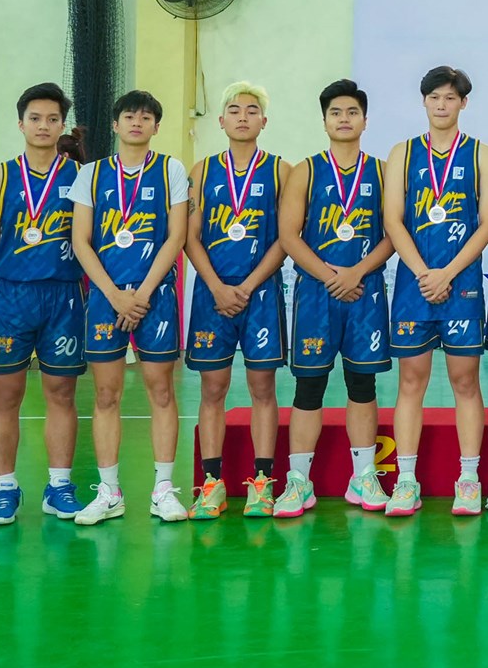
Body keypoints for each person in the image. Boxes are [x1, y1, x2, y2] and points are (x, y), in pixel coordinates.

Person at [68, 91, 192, 525]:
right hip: (107, 298)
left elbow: (176, 237)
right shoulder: (91, 174)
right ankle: (109, 492)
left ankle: (163, 489)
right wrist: (115, 294)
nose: (137, 122)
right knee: (106, 395)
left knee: (162, 391)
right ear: (115, 125)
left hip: (155, 297)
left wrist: (141, 294)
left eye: (145, 117)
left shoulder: (171, 169)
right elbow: (81, 240)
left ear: (156, 126)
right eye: (129, 116)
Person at [383, 66, 488, 518]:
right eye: (434, 97)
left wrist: (447, 273)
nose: (442, 105)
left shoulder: (482, 154)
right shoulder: (402, 153)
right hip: (415, 283)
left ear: (463, 103)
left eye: (450, 98)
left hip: (462, 282)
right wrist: (423, 274)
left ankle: (468, 480)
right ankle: (405, 480)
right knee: (411, 381)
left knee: (465, 381)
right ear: (424, 101)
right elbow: (393, 220)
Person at [275, 79, 392, 518]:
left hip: (365, 291)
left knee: (363, 384)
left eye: (352, 112)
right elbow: (289, 235)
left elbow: (393, 233)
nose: (344, 119)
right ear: (324, 121)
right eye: (336, 112)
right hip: (317, 292)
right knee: (310, 385)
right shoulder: (305, 171)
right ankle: (298, 482)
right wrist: (330, 276)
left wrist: (356, 272)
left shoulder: (382, 171)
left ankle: (364, 477)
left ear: (365, 120)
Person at [0, 83, 85, 524]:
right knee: (5, 396)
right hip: (13, 296)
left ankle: (59, 487)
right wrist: (17, 272)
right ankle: (5, 489)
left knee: (62, 393)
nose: (43, 126)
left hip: (64, 296)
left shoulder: (82, 177)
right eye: (35, 118)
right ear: (20, 123)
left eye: (52, 119)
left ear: (62, 125)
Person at [183, 83, 289, 520]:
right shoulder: (202, 171)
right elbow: (189, 237)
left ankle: (262, 483)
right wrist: (217, 286)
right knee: (213, 388)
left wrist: (247, 286)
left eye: (251, 110)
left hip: (260, 293)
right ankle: (212, 484)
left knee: (263, 387)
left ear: (264, 121)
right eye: (234, 109)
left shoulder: (282, 171)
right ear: (221, 120)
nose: (242, 116)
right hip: (213, 293)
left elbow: (286, 237)